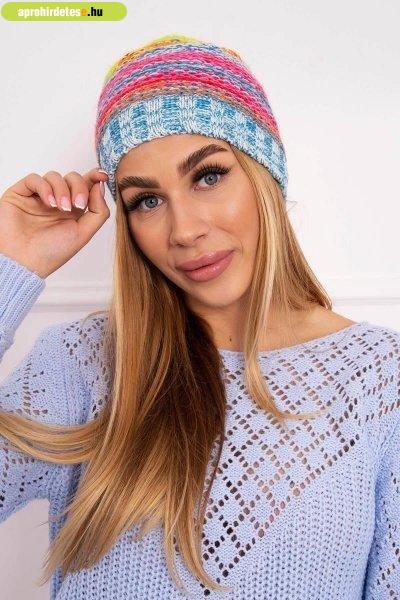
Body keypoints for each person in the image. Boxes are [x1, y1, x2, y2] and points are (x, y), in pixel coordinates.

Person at [0, 33, 399, 600]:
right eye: (147, 200)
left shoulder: (382, 379)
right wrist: (10, 267)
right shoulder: (84, 362)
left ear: (264, 177)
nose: (184, 230)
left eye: (208, 177)